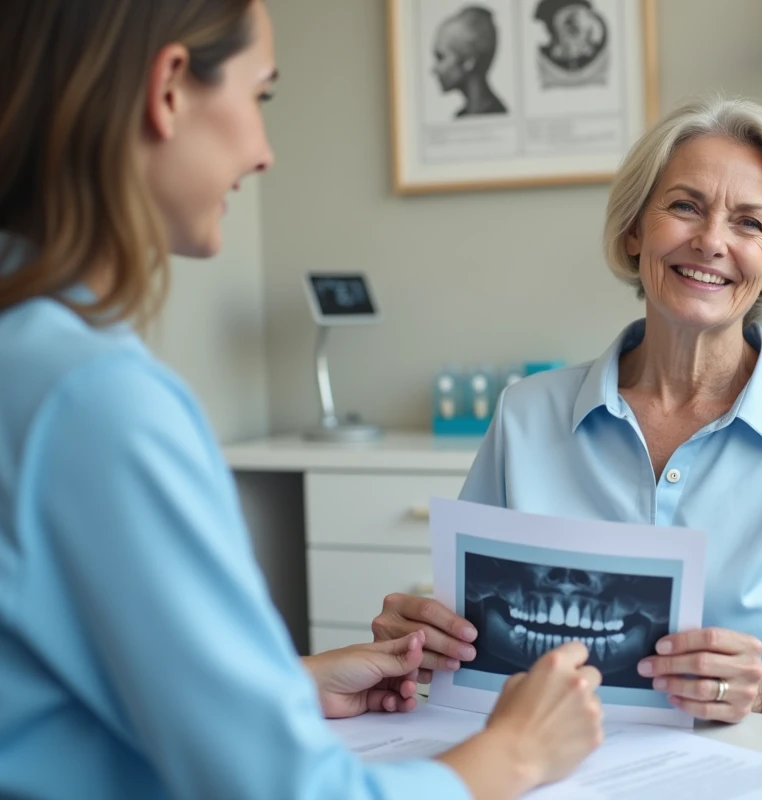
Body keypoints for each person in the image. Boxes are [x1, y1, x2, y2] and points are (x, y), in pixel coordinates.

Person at [0, 2, 602, 798]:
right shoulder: (96, 403)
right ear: (171, 88)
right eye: (262, 97)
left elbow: (46, 694)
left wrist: (282, 686)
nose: (264, 152)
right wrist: (517, 753)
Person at [372, 97, 762, 743]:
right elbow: (465, 644)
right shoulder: (524, 417)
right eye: (685, 206)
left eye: (748, 223)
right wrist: (422, 641)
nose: (711, 241)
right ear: (635, 230)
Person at [432, 6, 508, 118]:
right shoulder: (462, 117)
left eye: (441, 57)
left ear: (469, 61)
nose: (434, 69)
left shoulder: (495, 116)